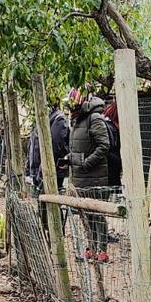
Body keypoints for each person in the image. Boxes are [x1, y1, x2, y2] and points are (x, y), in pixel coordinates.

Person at [65, 88, 113, 262]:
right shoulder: (77, 120)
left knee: (97, 214)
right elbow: (77, 147)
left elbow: (104, 146)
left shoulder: (95, 118)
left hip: (95, 177)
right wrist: (70, 159)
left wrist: (87, 163)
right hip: (80, 177)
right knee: (86, 215)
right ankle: (90, 247)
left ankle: (102, 250)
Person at [25, 103, 70, 193]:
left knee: (49, 202)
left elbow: (55, 151)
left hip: (49, 175)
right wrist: (29, 171)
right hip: (38, 174)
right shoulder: (41, 120)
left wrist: (41, 173)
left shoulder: (58, 120)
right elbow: (33, 148)